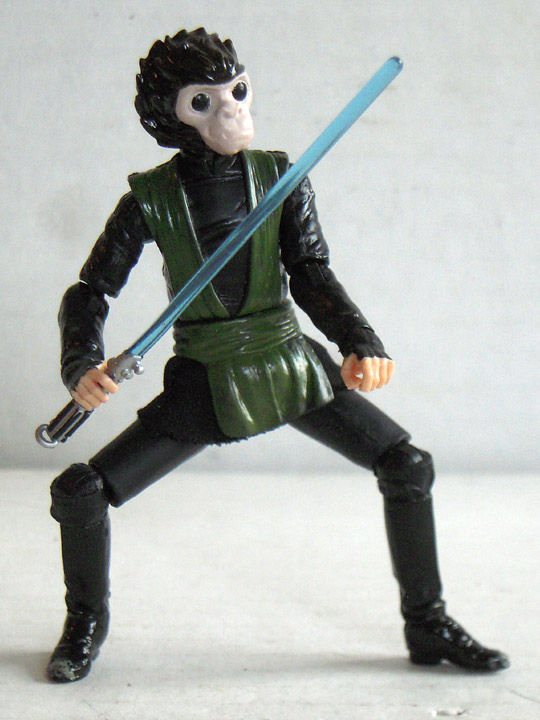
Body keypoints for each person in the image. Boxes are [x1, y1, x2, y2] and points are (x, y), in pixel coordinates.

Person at [47, 28, 509, 682]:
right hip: (206, 381)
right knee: (80, 491)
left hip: (291, 365)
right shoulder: (150, 200)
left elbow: (311, 272)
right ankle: (85, 622)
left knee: (407, 465)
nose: (230, 110)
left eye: (236, 91)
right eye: (203, 102)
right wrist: (81, 362)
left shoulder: (280, 178)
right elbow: (91, 290)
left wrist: (359, 340)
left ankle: (427, 622)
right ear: (169, 116)